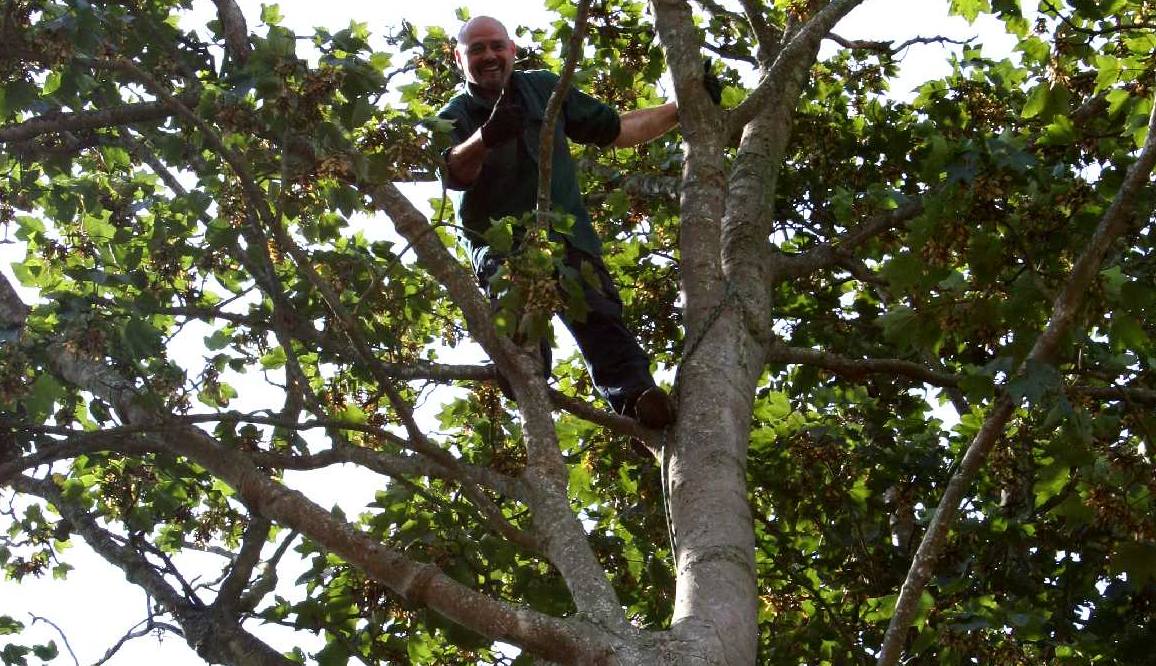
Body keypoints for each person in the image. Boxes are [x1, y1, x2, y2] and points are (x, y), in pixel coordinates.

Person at [438, 16, 704, 429]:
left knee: (603, 322)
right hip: (506, 252)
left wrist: (684, 107)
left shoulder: (544, 88)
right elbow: (455, 171)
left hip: (569, 239)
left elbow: (617, 129)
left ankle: (638, 402)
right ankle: (523, 369)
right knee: (521, 331)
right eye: (476, 50)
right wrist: (486, 138)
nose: (488, 56)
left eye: (496, 46)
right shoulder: (454, 114)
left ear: (512, 50)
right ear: (459, 58)